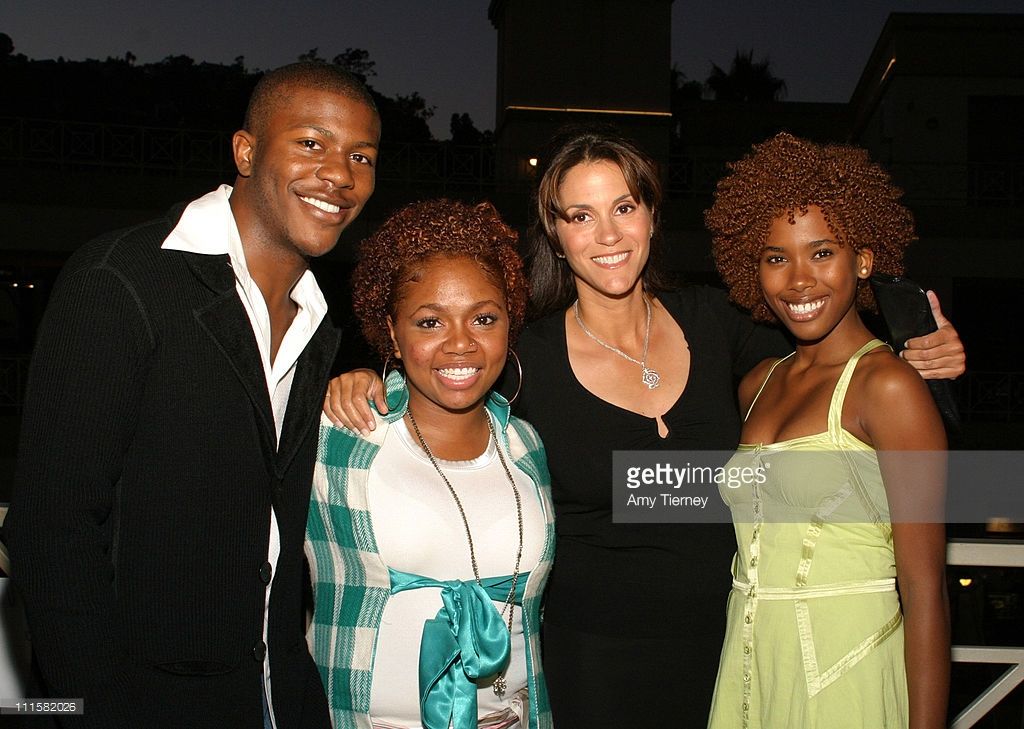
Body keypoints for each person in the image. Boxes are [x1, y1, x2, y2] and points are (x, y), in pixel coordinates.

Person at [323, 127, 964, 726]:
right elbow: (449, 373)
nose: (607, 235)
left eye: (624, 208)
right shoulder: (524, 360)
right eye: (581, 216)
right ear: (556, 235)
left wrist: (922, 353)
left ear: (652, 216)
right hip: (588, 666)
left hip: (733, 653)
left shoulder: (722, 324)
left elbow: (830, 370)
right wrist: (372, 379)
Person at [3, 62, 380, 729]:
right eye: (311, 143)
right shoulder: (123, 280)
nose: (339, 174)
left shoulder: (320, 324)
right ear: (246, 151)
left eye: (361, 156)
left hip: (273, 695)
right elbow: (50, 529)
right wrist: (102, 711)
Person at [704, 132, 949, 728]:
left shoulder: (888, 388)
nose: (799, 280)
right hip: (751, 668)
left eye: (821, 253)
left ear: (862, 260)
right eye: (776, 258)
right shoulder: (758, 383)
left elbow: (925, 593)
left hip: (848, 672)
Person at [305, 199, 555, 729]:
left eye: (483, 318)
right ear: (393, 333)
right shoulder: (338, 439)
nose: (460, 343)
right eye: (430, 322)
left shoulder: (527, 447)